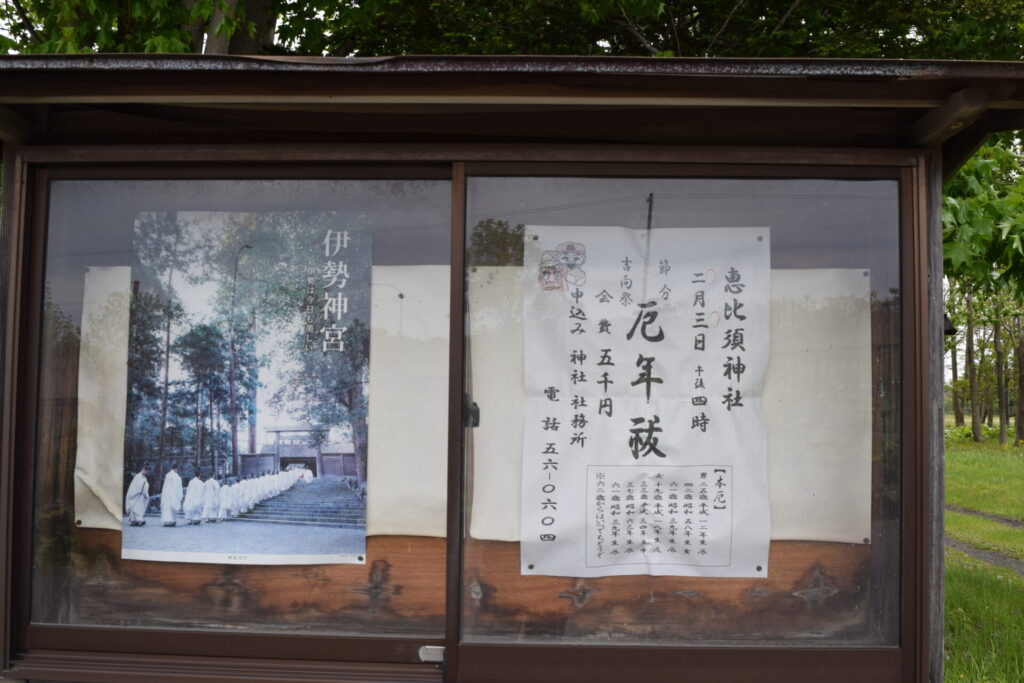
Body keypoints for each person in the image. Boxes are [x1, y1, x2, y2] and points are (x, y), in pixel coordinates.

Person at [160, 462, 183, 527]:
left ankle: (167, 521)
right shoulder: (176, 477)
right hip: (173, 494)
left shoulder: (168, 475)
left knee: (167, 508)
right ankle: (172, 521)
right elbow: (177, 487)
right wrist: (178, 495)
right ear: (176, 469)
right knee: (172, 508)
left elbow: (164, 486)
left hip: (166, 494)